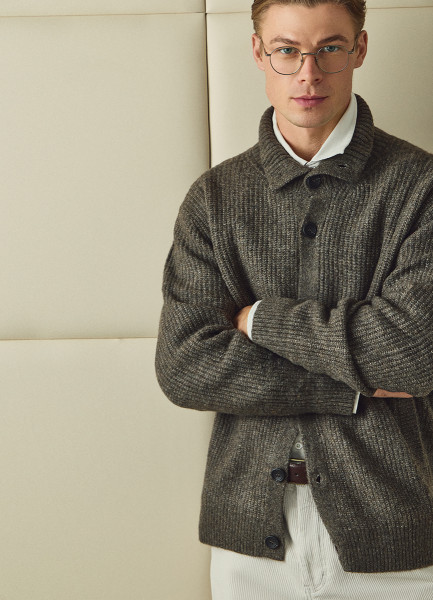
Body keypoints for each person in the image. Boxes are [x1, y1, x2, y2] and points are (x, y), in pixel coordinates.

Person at [155, 0, 433, 597]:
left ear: (360, 49)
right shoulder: (213, 199)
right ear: (259, 53)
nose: (308, 74)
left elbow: (414, 355)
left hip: (396, 541)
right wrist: (351, 384)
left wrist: (260, 320)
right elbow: (184, 366)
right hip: (250, 540)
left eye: (329, 48)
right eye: (287, 50)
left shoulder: (420, 188)